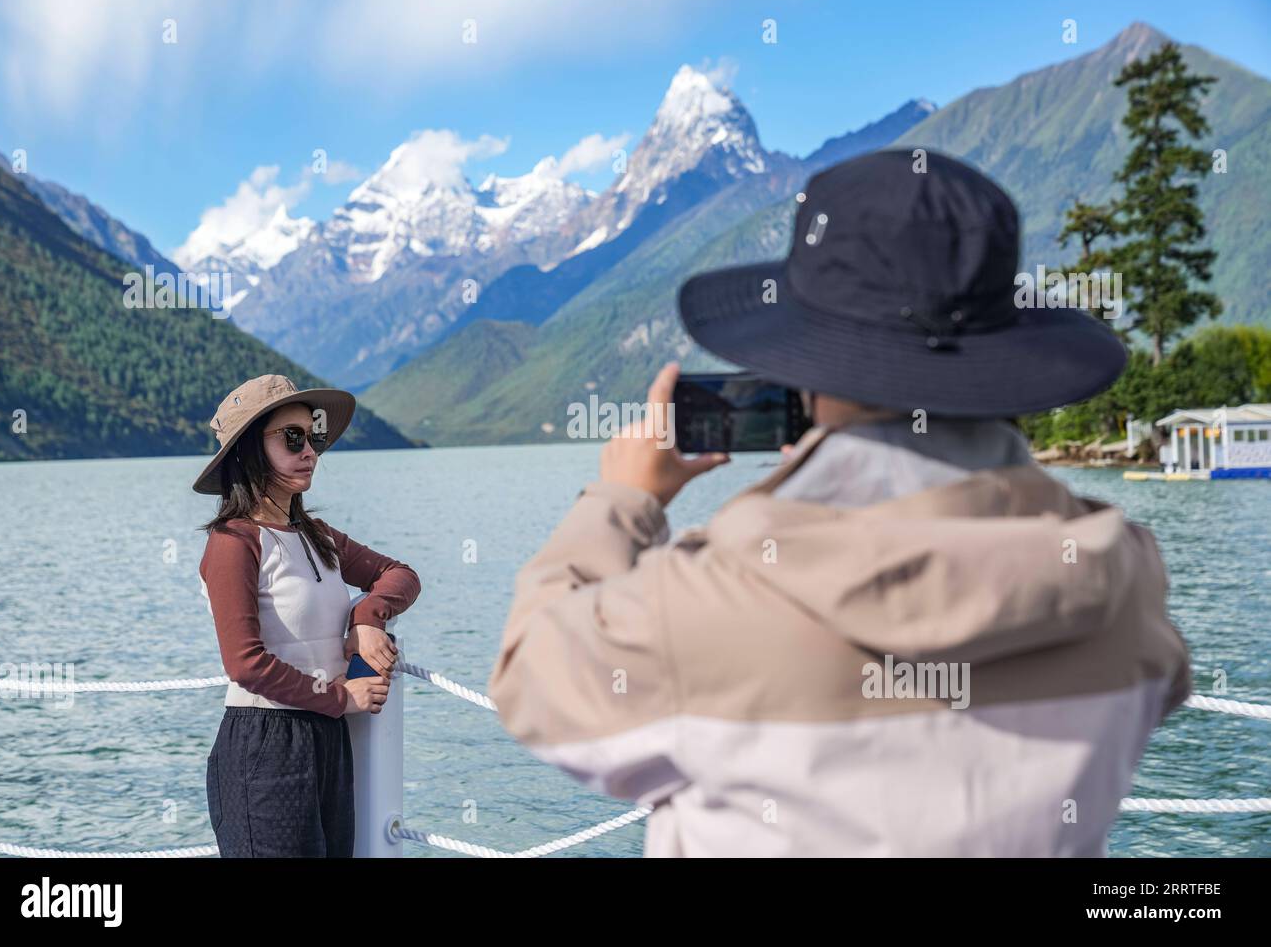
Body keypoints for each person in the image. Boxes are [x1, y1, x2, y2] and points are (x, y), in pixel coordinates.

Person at [487, 149, 1191, 857]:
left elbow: (530, 676)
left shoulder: (711, 602)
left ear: (809, 376)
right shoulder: (1128, 584)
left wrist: (623, 499)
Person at [194, 374, 421, 857]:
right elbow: (244, 664)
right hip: (266, 744)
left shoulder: (319, 536)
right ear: (250, 450)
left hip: (327, 740)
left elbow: (400, 574)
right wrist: (339, 697)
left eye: (312, 436)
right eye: (291, 438)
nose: (310, 451)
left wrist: (367, 614)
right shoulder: (233, 542)